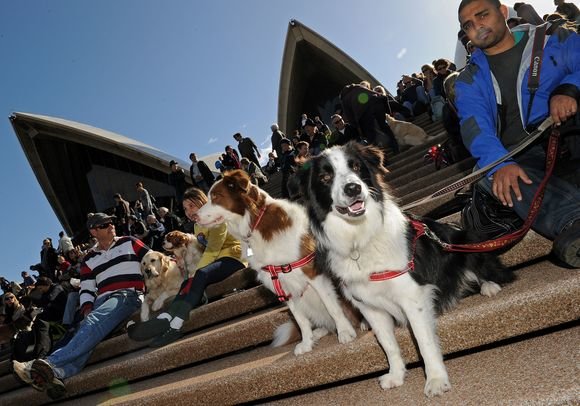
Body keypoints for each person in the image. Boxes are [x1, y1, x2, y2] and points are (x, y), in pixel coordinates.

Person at [455, 0, 580, 267]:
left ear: (502, 12)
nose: (477, 26)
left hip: (569, 133)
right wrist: (501, 163)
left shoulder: (552, 37)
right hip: (522, 156)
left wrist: (570, 88)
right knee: (490, 173)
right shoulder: (467, 79)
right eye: (468, 25)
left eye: (482, 15)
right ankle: (574, 219)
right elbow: (474, 127)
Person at [12, 212, 149, 399]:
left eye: (110, 222)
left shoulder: (129, 241)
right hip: (102, 300)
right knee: (86, 326)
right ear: (93, 231)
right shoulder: (89, 258)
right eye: (104, 224)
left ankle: (48, 364)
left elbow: (154, 258)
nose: (111, 225)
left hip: (129, 294)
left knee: (92, 322)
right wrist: (86, 308)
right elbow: (86, 288)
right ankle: (58, 374)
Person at [128, 188, 246, 347]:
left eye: (191, 206)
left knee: (200, 275)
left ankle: (175, 325)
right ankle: (166, 319)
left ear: (202, 202)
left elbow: (212, 250)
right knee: (186, 283)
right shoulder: (198, 226)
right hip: (214, 263)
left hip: (233, 257)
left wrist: (195, 274)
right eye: (185, 208)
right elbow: (205, 253)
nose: (188, 211)